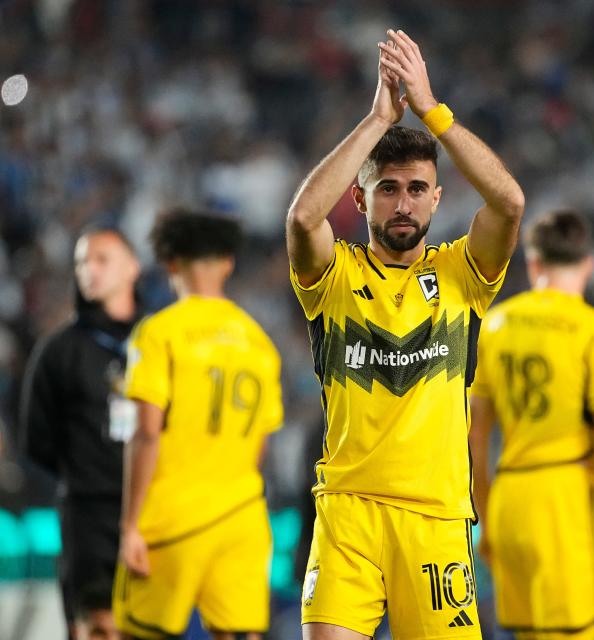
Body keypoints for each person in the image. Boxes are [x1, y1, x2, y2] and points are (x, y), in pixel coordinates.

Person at [286, 29, 524, 639]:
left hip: (437, 521)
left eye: (417, 189)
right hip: (346, 514)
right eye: (386, 188)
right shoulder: (333, 277)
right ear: (361, 200)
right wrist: (376, 120)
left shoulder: (462, 274)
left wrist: (431, 111)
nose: (403, 204)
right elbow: (303, 217)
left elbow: (508, 202)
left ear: (437, 199)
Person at [469, 209, 594, 640]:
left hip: (510, 502)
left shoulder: (495, 325)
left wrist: (484, 517)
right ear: (589, 264)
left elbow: (473, 435)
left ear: (532, 263)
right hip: (565, 502)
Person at [113, 210, 283, 640]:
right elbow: (261, 445)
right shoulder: (260, 342)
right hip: (242, 518)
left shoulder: (158, 334)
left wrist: (131, 524)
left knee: (139, 631)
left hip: (174, 518)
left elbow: (147, 431)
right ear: (228, 262)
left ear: (170, 263)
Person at [19, 228, 141, 639]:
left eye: (102, 259)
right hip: (87, 517)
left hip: (152, 513)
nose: (90, 270)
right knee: (92, 626)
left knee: (146, 626)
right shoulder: (58, 351)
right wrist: (87, 473)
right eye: (82, 262)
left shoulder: (160, 341)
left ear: (132, 267)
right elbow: (36, 439)